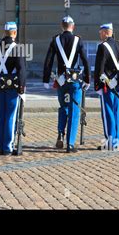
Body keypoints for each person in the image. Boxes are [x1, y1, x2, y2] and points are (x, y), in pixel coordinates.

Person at [43, 16, 90, 153]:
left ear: (61, 26)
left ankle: (60, 133)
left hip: (61, 80)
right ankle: (70, 143)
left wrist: (46, 79)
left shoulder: (55, 40)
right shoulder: (78, 40)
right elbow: (85, 61)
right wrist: (87, 79)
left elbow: (48, 60)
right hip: (75, 81)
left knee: (63, 107)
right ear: (72, 26)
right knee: (74, 111)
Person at [94, 23, 119, 151]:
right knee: (116, 111)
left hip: (107, 85)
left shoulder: (102, 47)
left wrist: (97, 86)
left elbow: (99, 70)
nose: (100, 35)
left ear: (106, 32)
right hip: (118, 85)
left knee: (108, 113)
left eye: (100, 32)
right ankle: (116, 140)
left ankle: (110, 141)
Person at [0, 22, 26, 155]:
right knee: (10, 116)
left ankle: (0, 145)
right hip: (12, 87)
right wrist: (21, 87)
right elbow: (21, 70)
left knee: (1, 116)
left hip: (0, 85)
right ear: (15, 32)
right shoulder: (18, 47)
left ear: (4, 32)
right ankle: (7, 147)